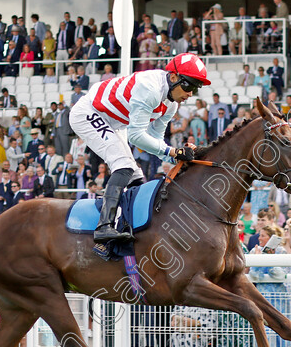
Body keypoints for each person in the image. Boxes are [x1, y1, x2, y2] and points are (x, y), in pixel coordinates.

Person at [69, 52, 205, 243]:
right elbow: (136, 136)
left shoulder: (171, 104)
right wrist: (172, 152)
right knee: (123, 166)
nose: (190, 94)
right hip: (88, 113)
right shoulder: (150, 89)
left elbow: (155, 141)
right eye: (188, 85)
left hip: (114, 122)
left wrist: (176, 156)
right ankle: (104, 226)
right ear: (173, 77)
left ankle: (129, 223)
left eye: (195, 89)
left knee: (135, 175)